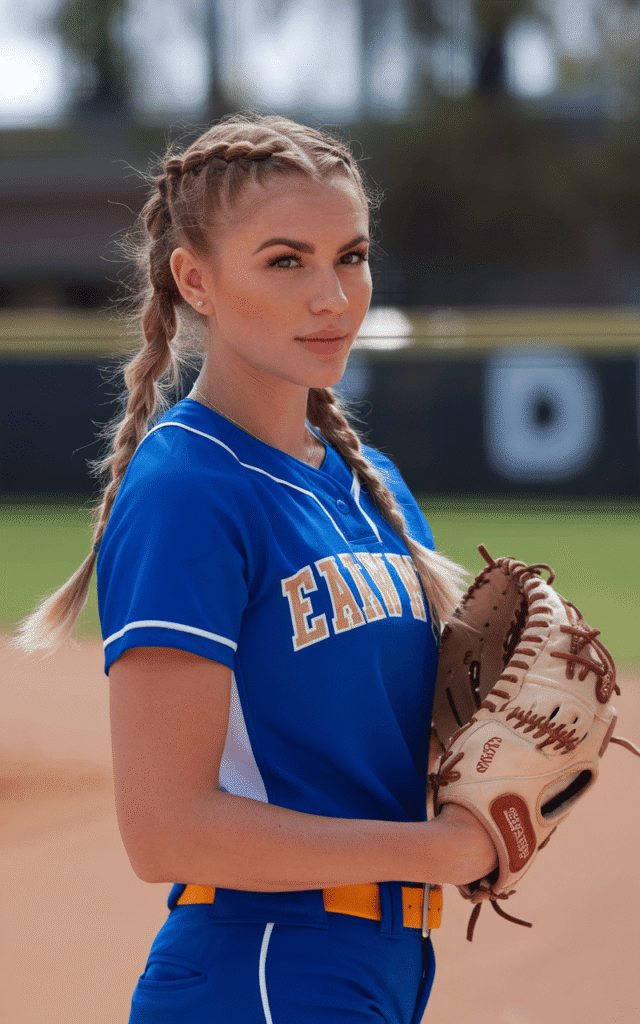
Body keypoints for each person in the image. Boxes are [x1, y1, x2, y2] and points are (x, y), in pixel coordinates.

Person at [17, 113, 497, 1023]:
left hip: (377, 967)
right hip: (265, 966)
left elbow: (374, 750)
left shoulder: (370, 485)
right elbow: (166, 830)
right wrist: (436, 853)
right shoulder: (188, 488)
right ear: (195, 280)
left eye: (349, 256)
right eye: (287, 261)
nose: (333, 297)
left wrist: (495, 763)